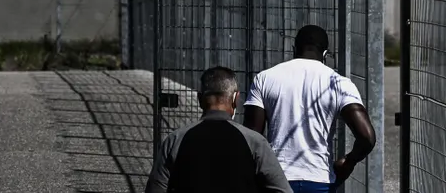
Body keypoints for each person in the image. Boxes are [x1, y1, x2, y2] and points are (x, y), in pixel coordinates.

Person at [244, 25, 377, 193]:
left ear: (294, 49)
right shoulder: (339, 83)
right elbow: (367, 137)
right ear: (325, 55)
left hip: (277, 179)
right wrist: (348, 162)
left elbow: (250, 137)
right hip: (319, 179)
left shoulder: (264, 78)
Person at [145, 66, 291, 193]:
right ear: (235, 98)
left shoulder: (175, 139)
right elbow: (281, 189)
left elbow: (156, 188)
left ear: (199, 98)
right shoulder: (254, 142)